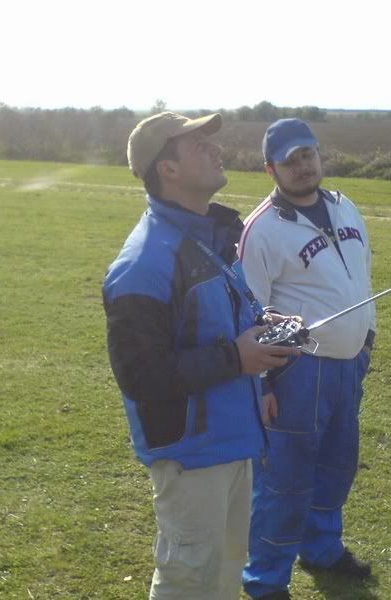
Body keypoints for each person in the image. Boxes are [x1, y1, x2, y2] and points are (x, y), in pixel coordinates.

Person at [102, 111, 299, 600]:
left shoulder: (210, 237)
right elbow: (141, 377)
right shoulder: (143, 263)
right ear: (167, 169)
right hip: (191, 457)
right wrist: (236, 357)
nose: (217, 150)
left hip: (235, 441)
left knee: (224, 577)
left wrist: (262, 330)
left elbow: (217, 325)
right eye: (198, 145)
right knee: (188, 583)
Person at [238, 118, 376, 599]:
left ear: (319, 155)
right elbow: (247, 313)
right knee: (285, 481)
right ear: (270, 169)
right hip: (296, 372)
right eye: (289, 160)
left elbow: (362, 276)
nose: (302, 166)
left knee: (337, 466)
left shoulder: (345, 207)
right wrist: (262, 386)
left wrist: (366, 341)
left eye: (307, 155)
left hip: (349, 365)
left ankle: (322, 550)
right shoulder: (261, 230)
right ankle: (266, 580)